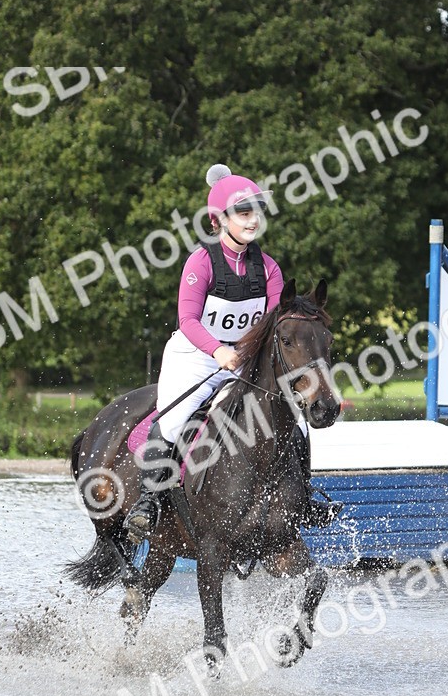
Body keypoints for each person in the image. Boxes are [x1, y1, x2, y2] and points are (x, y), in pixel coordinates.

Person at [124, 163, 340, 543]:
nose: (252, 219)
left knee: (292, 421)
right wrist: (219, 351)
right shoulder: (202, 262)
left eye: (256, 211)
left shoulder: (269, 268)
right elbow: (188, 320)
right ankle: (149, 502)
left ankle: (302, 499)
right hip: (195, 356)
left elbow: (277, 323)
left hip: (244, 358)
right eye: (244, 212)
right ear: (218, 220)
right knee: (173, 421)